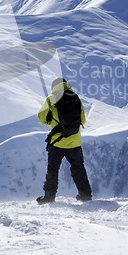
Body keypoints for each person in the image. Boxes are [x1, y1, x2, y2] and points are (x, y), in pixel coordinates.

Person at [36, 77, 92, 205]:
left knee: (53, 169)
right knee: (78, 168)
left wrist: (53, 121)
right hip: (75, 142)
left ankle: (49, 197)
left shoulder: (51, 98)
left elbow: (42, 118)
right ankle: (86, 195)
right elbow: (83, 120)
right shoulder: (75, 97)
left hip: (57, 142)